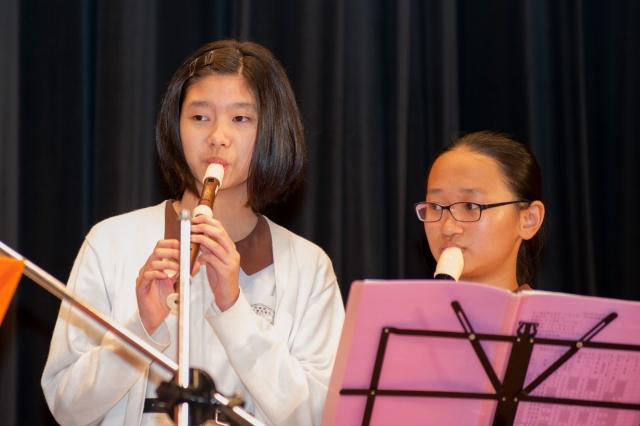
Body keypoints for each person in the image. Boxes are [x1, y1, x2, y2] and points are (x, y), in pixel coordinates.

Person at [41, 39, 345, 425]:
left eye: (241, 119)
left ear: (272, 131)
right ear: (176, 126)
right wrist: (141, 328)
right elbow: (66, 406)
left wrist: (233, 309)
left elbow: (322, 415)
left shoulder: (308, 266)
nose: (218, 136)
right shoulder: (111, 242)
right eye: (200, 116)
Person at [415, 130, 546, 291]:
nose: (448, 228)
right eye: (435, 206)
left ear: (529, 219)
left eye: (470, 206)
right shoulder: (398, 307)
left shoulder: (552, 308)